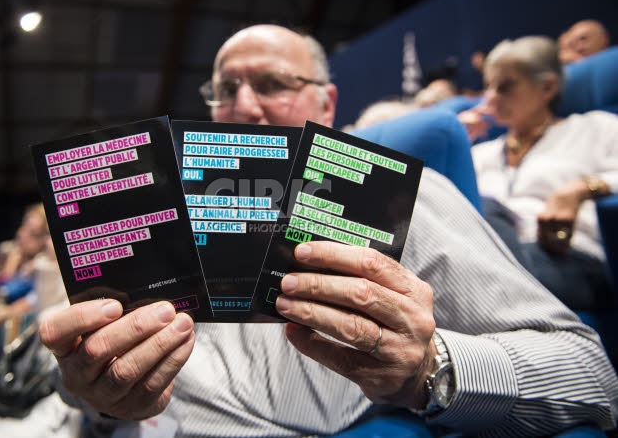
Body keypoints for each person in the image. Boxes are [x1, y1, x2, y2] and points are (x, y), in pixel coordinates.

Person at [39, 25, 618, 436]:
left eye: (272, 84)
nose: (244, 107)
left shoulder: (397, 197)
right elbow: (86, 394)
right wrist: (97, 396)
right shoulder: (156, 219)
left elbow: (589, 374)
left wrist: (430, 368)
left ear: (328, 101)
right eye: (226, 89)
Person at [470, 35, 618, 312]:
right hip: (494, 258)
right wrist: (454, 143)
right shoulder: (481, 153)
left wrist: (582, 188)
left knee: (485, 209)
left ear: (547, 87)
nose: (490, 97)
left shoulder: (594, 129)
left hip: (570, 261)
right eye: (488, 86)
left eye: (505, 86)